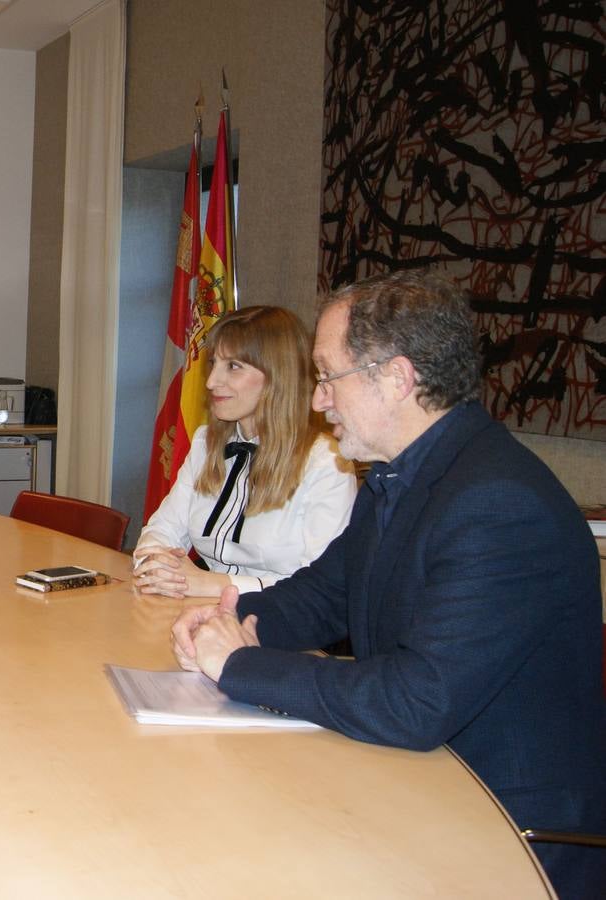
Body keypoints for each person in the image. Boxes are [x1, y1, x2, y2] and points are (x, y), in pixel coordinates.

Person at [172, 270, 606, 898]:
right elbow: (325, 594)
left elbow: (416, 701)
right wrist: (229, 618)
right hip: (414, 787)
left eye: (327, 375)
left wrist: (239, 665)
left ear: (397, 378)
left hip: (508, 836)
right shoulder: (401, 476)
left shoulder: (498, 503)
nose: (317, 400)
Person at [134, 305, 357, 598]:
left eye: (233, 366)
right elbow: (160, 530)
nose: (211, 381)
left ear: (277, 376)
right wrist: (156, 564)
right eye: (214, 363)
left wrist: (217, 585)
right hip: (199, 606)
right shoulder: (205, 444)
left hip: (279, 619)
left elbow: (322, 590)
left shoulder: (327, 463)